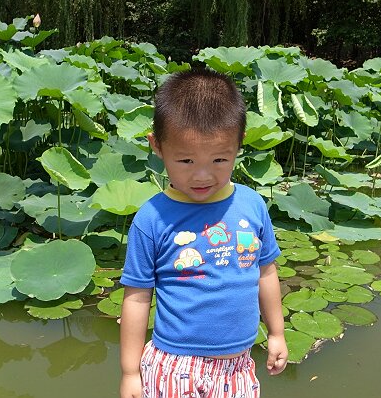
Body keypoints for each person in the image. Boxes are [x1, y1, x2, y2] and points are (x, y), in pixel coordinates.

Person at [120, 69, 288, 398]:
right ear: (157, 146)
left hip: (238, 366)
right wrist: (130, 372)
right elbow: (137, 298)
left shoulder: (252, 205)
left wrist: (277, 333)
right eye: (185, 159)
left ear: (239, 145)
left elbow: (265, 272)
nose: (202, 175)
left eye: (219, 159)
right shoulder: (151, 219)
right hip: (174, 366)